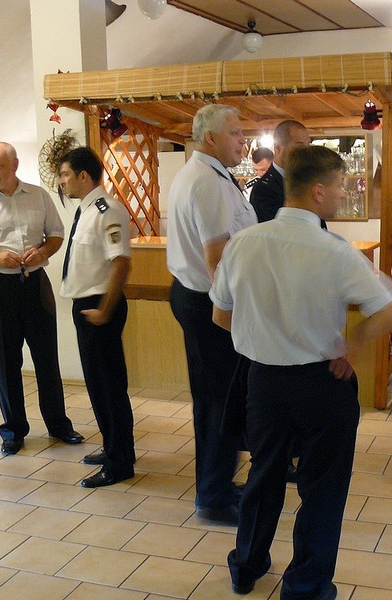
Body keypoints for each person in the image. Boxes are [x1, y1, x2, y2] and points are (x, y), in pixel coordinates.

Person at [211, 145, 392, 599]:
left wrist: (263, 333)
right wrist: (352, 347)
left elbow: (220, 316)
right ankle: (305, 587)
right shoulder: (335, 250)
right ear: (318, 191)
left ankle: (246, 566)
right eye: (339, 186)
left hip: (262, 381)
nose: (342, 194)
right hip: (322, 383)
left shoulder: (244, 243)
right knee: (323, 488)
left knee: (263, 475)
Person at [0, 142, 82, 456]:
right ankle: (13, 431)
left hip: (36, 284)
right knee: (6, 361)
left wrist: (42, 251)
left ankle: (58, 425)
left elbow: (56, 234)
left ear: (14, 165)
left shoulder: (39, 196)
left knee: (47, 359)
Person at [167, 104, 257, 525]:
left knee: (216, 398)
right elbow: (216, 259)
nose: (243, 140)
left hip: (200, 299)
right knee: (219, 400)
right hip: (209, 303)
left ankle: (216, 483)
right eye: (235, 132)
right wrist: (234, 312)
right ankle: (214, 496)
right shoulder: (206, 181)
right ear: (210, 138)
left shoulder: (207, 174)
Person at [58, 147, 136, 487]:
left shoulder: (107, 210)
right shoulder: (87, 210)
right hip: (87, 304)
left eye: (65, 175)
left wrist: (105, 309)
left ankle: (120, 462)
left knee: (109, 387)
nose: (62, 182)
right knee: (98, 385)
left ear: (83, 176)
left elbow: (122, 263)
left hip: (100, 304)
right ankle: (112, 446)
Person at [249, 120, 310, 223]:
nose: (307, 152)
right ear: (278, 147)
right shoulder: (264, 189)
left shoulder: (307, 180)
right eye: (300, 146)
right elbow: (274, 228)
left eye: (308, 145)